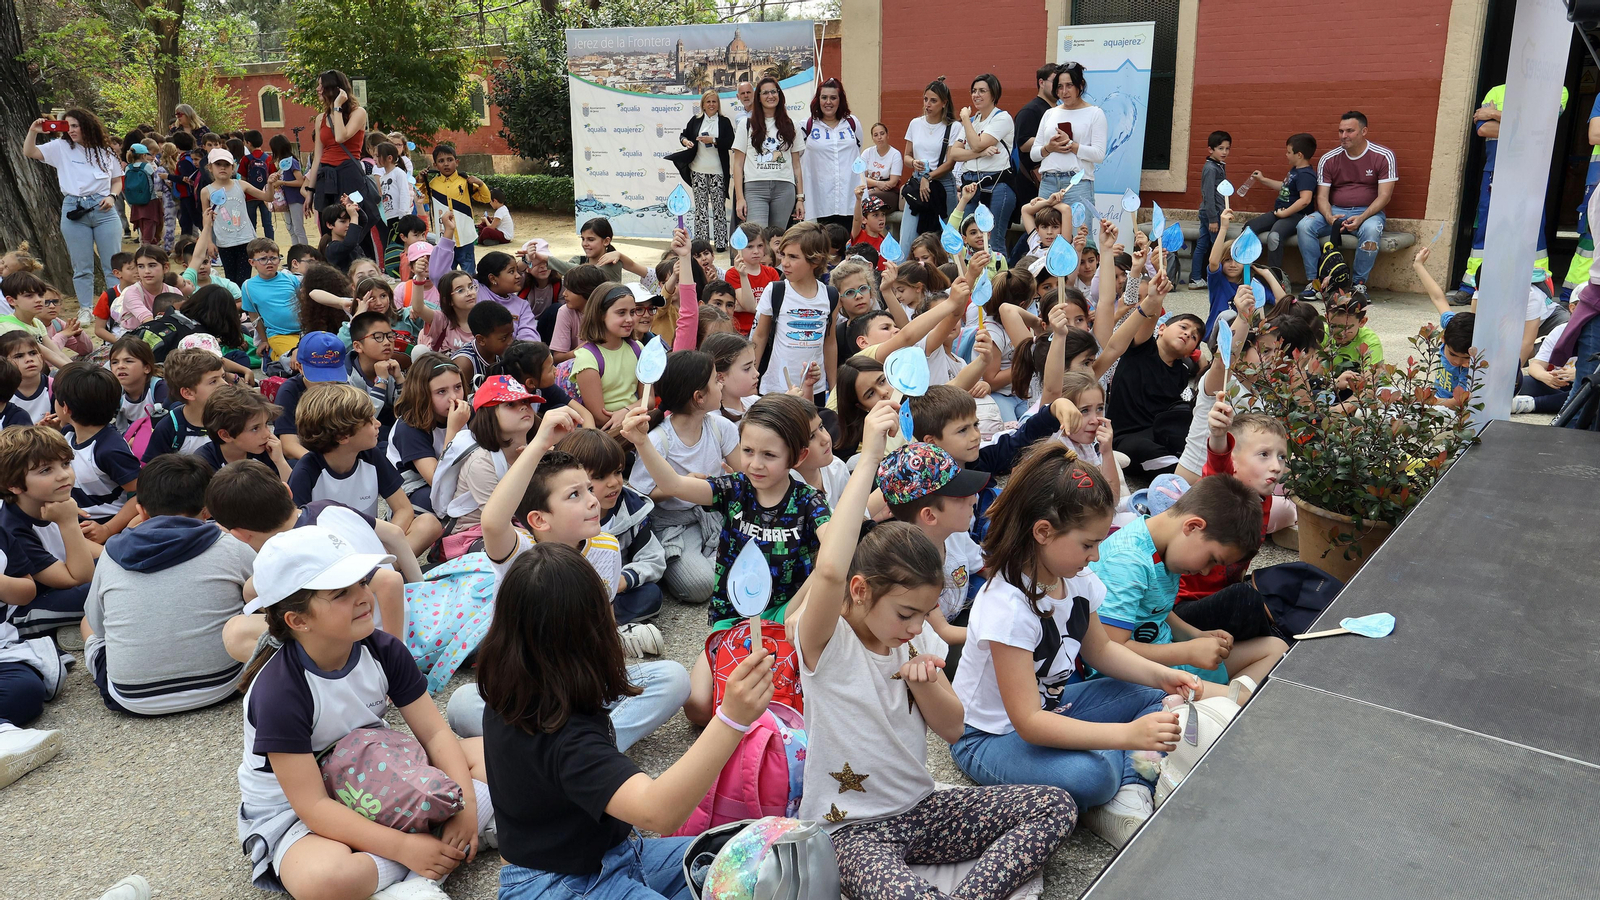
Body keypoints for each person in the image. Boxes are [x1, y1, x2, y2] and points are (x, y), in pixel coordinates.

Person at [795, 406, 1077, 897]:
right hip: (851, 829)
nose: (914, 626)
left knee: (1057, 805)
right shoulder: (826, 641)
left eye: (923, 614)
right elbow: (828, 571)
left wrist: (928, 685)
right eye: (905, 613)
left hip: (922, 810)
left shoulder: (919, 636)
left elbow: (951, 728)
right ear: (860, 590)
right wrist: (868, 460)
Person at [474, 538, 770, 900]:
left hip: (615, 855)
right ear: (588, 637)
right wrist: (731, 720)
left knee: (760, 855)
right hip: (555, 885)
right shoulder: (567, 739)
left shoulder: (517, 692)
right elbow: (659, 811)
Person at [948, 441, 1199, 847]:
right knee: (1092, 775)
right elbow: (1028, 723)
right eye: (1088, 544)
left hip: (1051, 708)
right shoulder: (1008, 606)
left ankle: (1129, 790)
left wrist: (1166, 675)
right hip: (988, 739)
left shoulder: (1075, 578)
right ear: (1043, 532)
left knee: (1154, 692)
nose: (1096, 555)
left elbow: (1101, 651)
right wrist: (1127, 736)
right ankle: (1124, 779)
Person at [233, 525, 491, 900]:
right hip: (298, 811)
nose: (363, 598)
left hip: (381, 770)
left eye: (361, 583)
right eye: (341, 593)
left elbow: (436, 735)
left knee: (501, 753)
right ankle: (434, 857)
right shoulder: (279, 691)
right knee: (324, 879)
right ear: (298, 620)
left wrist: (464, 808)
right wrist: (404, 848)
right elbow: (313, 805)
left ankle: (428, 859)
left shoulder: (383, 649)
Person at [80, 454, 253, 715]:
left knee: (86, 623)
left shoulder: (111, 555)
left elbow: (98, 625)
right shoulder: (231, 546)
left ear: (140, 510)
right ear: (208, 509)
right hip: (224, 685)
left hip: (133, 699)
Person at [1091, 473, 1284, 696]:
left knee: (1276, 648)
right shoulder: (1127, 560)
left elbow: (1156, 610)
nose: (1205, 571)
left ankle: (1217, 702)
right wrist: (1186, 652)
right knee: (1243, 700)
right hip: (1134, 680)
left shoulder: (1164, 549)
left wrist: (1196, 636)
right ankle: (1222, 702)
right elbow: (1111, 650)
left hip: (1169, 663)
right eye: (1212, 559)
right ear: (1193, 527)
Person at [626, 349, 740, 605]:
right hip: (673, 523)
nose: (721, 382)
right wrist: (685, 484)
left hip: (713, 514)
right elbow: (639, 494)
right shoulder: (658, 439)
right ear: (699, 397)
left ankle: (716, 560)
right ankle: (676, 559)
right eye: (715, 380)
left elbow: (745, 472)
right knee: (699, 585)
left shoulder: (721, 427)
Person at [1459, 84, 1565, 295]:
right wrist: (1523, 124)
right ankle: (1472, 285)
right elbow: (1483, 129)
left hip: (1530, 174)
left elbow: (1543, 124)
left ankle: (1538, 284)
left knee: (1531, 228)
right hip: (1495, 172)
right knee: (1487, 228)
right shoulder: (1496, 91)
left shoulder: (1556, 88)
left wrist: (1493, 114)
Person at [0, 426, 100, 640]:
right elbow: (80, 578)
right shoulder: (13, 528)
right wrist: (69, 522)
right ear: (14, 485)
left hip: (61, 584)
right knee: (98, 591)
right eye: (46, 470)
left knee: (118, 567)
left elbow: (93, 551)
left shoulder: (50, 500)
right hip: (25, 610)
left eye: (65, 463)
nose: (63, 475)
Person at [1104, 269, 1202, 475]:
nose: (1187, 333)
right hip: (1124, 436)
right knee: (1145, 450)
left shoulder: (1181, 373)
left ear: (1192, 351)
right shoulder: (1140, 348)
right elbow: (1148, 318)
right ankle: (1179, 476)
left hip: (1158, 432)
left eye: (1193, 337)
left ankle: (1181, 467)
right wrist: (1155, 298)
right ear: (1162, 329)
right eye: (1183, 327)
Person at [24, 108, 125, 306]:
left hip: (104, 207)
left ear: (87, 126)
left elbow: (117, 180)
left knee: (112, 264)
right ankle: (85, 308)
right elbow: (29, 152)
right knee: (82, 266)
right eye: (67, 126)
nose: (71, 130)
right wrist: (33, 131)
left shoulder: (105, 151)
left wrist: (112, 196)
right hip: (74, 208)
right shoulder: (61, 147)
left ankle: (116, 307)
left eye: (75, 126)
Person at [1296, 112, 1397, 299]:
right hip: (1335, 211)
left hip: (1368, 214)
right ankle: (1315, 283)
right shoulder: (1329, 158)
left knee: (1372, 230)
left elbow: (1384, 196)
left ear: (1364, 131)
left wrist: (1361, 218)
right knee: (1304, 225)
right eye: (1341, 131)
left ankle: (1358, 285)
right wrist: (1329, 217)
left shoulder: (1383, 156)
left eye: (1350, 131)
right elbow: (1322, 197)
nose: (1344, 136)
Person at [54, 361, 142, 542]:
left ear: (66, 408)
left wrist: (107, 529)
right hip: (71, 520)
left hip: (103, 526)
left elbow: (144, 493)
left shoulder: (109, 450)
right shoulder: (68, 434)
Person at [306, 69, 385, 264]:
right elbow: (318, 157)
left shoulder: (358, 113)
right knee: (329, 227)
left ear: (333, 88)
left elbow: (341, 136)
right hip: (326, 175)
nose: (317, 89)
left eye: (321, 85)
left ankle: (363, 267)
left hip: (349, 173)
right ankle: (333, 269)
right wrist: (310, 189)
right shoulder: (320, 119)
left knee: (355, 220)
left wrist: (338, 108)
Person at [752, 223, 838, 398]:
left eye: (793, 257)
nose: (784, 263)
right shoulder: (775, 291)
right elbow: (760, 336)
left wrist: (834, 387)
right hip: (776, 388)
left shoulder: (829, 296)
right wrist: (752, 377)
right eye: (783, 255)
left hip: (815, 389)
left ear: (815, 260)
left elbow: (830, 342)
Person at [948, 74, 1016, 256]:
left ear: (993, 94)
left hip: (997, 185)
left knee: (994, 242)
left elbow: (977, 143)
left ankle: (1000, 283)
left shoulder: (1002, 118)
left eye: (982, 91)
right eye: (974, 91)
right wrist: (980, 153)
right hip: (970, 186)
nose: (976, 95)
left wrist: (964, 119)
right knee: (970, 240)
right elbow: (954, 153)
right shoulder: (972, 121)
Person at [1031, 62, 1105, 226]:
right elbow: (1034, 153)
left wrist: (1072, 145)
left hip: (1077, 184)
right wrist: (1049, 148)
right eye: (1060, 87)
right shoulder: (1050, 113)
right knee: (1045, 238)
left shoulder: (1095, 113)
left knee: (1080, 239)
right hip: (1048, 181)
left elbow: (1099, 154)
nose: (1064, 91)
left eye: (1069, 85)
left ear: (1080, 85)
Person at [732, 76, 807, 230]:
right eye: (765, 93)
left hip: (784, 188)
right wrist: (740, 198)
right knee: (757, 237)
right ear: (758, 97)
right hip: (755, 188)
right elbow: (738, 164)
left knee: (777, 240)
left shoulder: (792, 125)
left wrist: (800, 198)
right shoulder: (746, 125)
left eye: (774, 92)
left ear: (779, 95)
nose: (770, 96)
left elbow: (796, 165)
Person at [201, 148, 281, 285]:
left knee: (243, 279)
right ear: (210, 167)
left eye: (226, 165)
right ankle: (236, 305)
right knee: (230, 279)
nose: (222, 168)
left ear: (233, 168)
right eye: (218, 164)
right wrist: (209, 242)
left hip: (246, 240)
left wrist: (270, 184)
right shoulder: (206, 191)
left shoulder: (241, 185)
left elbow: (267, 197)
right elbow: (206, 220)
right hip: (224, 242)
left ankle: (244, 305)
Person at [900, 78, 961, 248]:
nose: (928, 104)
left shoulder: (953, 127)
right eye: (926, 99)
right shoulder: (915, 123)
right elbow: (906, 156)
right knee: (907, 239)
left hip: (942, 185)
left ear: (944, 103)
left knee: (946, 242)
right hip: (917, 182)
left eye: (933, 100)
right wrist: (914, 162)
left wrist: (928, 176)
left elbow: (950, 163)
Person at [1245, 133, 1318, 273]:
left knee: (1274, 237)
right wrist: (1263, 179)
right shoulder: (1295, 171)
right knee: (1249, 228)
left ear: (1299, 155)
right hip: (1280, 212)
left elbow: (1305, 200)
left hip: (1296, 216)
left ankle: (1275, 277)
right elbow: (1285, 187)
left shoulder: (1306, 175)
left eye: (1289, 152)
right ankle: (1245, 269)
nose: (1286, 154)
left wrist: (1285, 213)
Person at [142, 348, 229, 461]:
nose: (225, 384)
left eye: (223, 377)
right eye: (213, 381)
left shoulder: (233, 417)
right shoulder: (170, 427)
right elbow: (154, 471)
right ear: (188, 393)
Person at [673, 90, 735, 251]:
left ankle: (721, 243)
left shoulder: (724, 122)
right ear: (703, 104)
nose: (711, 105)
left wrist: (713, 140)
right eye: (708, 102)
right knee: (700, 209)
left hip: (718, 172)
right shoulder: (696, 120)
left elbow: (730, 142)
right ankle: (701, 244)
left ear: (718, 104)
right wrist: (686, 141)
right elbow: (683, 135)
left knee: (719, 208)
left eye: (714, 102)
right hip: (698, 170)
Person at [801, 78, 863, 231]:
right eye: (824, 97)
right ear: (818, 99)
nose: (828, 102)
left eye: (833, 98)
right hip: (820, 199)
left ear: (840, 100)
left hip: (848, 197)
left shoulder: (852, 124)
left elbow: (857, 150)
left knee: (849, 244)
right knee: (823, 246)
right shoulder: (806, 126)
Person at [1187, 131, 1231, 288]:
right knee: (1218, 246)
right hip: (1211, 214)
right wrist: (1213, 219)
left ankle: (1195, 278)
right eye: (1221, 148)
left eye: (1227, 148)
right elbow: (1208, 194)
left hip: (1213, 212)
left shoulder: (1218, 165)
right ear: (1210, 150)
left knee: (1203, 244)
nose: (1224, 152)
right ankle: (1217, 280)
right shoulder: (1211, 168)